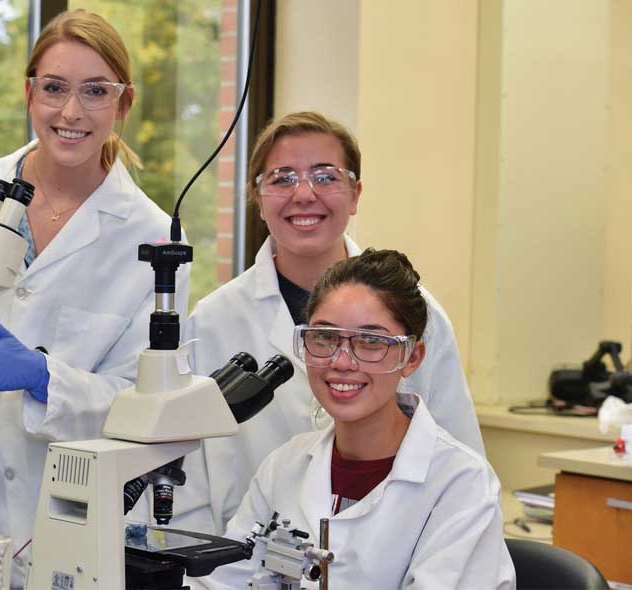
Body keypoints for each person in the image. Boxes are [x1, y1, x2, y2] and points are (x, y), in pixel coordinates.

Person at [0, 10, 188, 587]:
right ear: (30, 94)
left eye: (96, 92)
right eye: (54, 88)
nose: (71, 113)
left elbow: (144, 401)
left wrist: (44, 376)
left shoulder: (152, 240)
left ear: (124, 104)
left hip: (73, 506)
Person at [171, 111, 483, 535]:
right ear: (257, 198)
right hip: (249, 561)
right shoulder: (212, 321)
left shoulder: (417, 316)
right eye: (281, 178)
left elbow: (460, 457)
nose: (304, 194)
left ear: (354, 195)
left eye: (325, 176)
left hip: (393, 559)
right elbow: (186, 475)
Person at [192, 249, 514, 589]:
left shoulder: (461, 486)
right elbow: (225, 583)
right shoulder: (284, 467)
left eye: (371, 341)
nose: (342, 362)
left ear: (412, 356)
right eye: (325, 337)